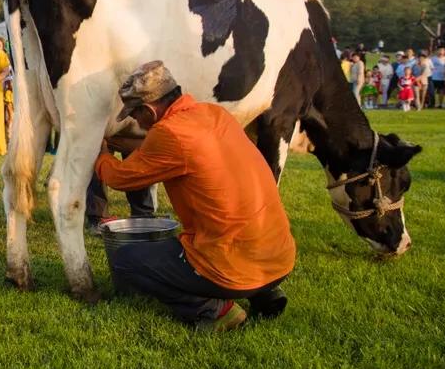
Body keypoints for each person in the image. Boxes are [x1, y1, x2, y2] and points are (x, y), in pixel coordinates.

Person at [95, 61, 296, 333]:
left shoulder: (169, 134)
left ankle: (214, 311)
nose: (134, 122)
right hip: (278, 259)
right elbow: (169, 151)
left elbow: (119, 178)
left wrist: (101, 154)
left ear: (150, 110)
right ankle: (266, 293)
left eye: (134, 114)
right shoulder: (214, 114)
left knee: (126, 260)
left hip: (231, 264)